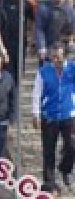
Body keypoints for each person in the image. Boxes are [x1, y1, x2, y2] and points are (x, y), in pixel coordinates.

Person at [32, 41, 75, 189]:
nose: (56, 60)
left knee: (71, 145)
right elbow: (37, 93)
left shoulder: (72, 69)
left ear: (64, 56)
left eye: (59, 57)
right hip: (49, 115)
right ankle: (49, 182)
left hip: (68, 115)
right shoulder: (43, 71)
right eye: (54, 57)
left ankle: (65, 168)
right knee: (48, 150)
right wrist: (36, 114)